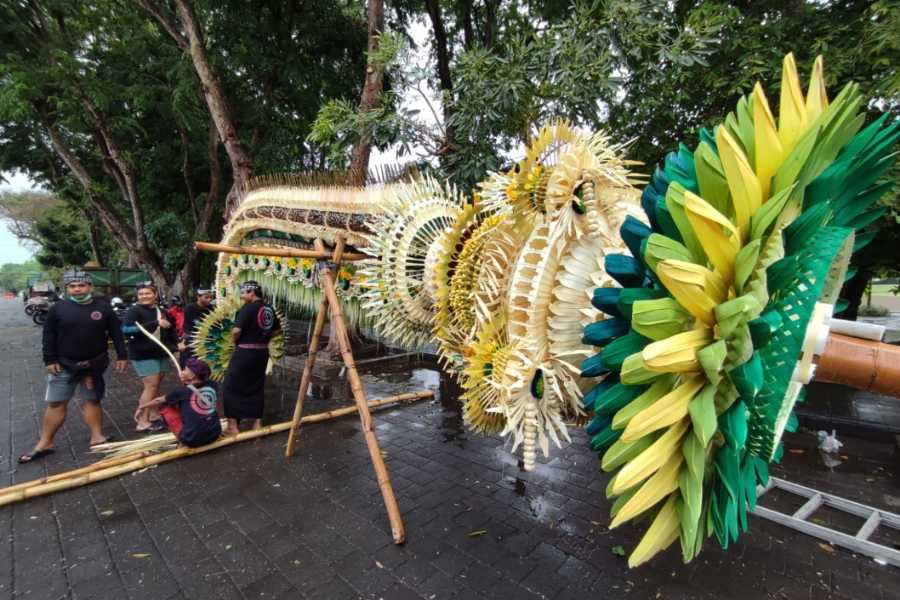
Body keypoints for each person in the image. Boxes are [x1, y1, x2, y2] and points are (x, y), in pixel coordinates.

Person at [18, 271, 127, 463]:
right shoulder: (57, 309)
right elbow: (48, 335)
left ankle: (97, 437)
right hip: (63, 364)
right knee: (56, 403)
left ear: (90, 287)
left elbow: (116, 332)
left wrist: (122, 355)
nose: (77, 289)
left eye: (82, 285)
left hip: (94, 364)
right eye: (73, 286)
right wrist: (49, 360)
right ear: (67, 289)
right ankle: (45, 443)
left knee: (92, 400)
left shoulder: (103, 307)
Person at [222, 281, 281, 435]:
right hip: (262, 353)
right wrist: (262, 337)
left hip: (245, 353)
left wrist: (235, 341)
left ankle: (233, 427)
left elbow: (236, 331)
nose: (241, 295)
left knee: (230, 386)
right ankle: (257, 424)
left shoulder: (247, 308)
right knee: (256, 386)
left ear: (252, 292)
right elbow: (276, 331)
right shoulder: (269, 308)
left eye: (243, 292)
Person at [122, 282, 176, 432]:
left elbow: (169, 329)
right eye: (141, 294)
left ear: (155, 295)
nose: (144, 296)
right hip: (142, 354)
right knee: (150, 386)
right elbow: (126, 329)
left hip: (160, 352)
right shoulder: (134, 310)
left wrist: (176, 346)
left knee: (156, 385)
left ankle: (154, 415)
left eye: (147, 293)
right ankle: (142, 421)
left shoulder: (161, 310)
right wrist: (154, 323)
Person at [137, 358, 221, 447]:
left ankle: (181, 440)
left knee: (165, 406)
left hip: (193, 440)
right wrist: (187, 381)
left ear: (193, 375)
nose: (183, 371)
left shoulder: (181, 392)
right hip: (215, 434)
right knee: (183, 404)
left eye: (185, 369)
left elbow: (158, 400)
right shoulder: (213, 384)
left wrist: (142, 407)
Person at [178, 286, 214, 366]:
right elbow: (195, 325)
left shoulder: (211, 309)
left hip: (205, 343)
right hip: (190, 343)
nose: (209, 299)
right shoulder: (190, 308)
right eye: (206, 297)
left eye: (211, 297)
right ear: (198, 297)